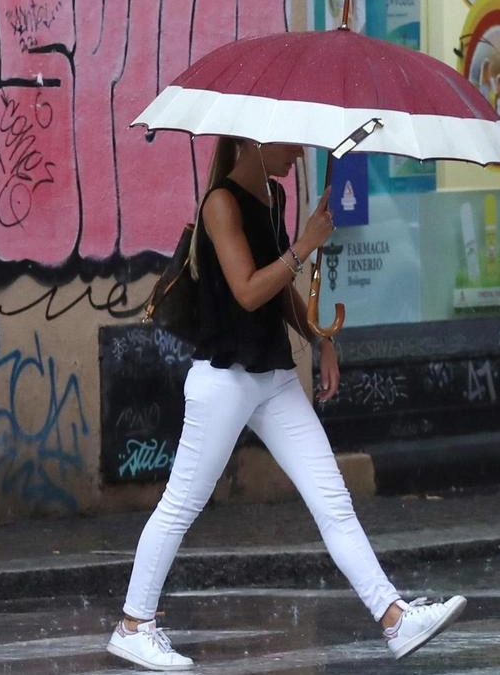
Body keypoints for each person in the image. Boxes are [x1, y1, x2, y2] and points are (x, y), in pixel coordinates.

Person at [108, 138, 466, 671]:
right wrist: (304, 244)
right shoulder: (220, 203)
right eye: (291, 143)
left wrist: (320, 337)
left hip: (272, 377)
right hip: (224, 379)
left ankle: (394, 618)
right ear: (256, 139)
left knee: (332, 500)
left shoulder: (273, 198)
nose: (298, 154)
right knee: (181, 505)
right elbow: (249, 289)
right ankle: (135, 625)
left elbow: (279, 294)